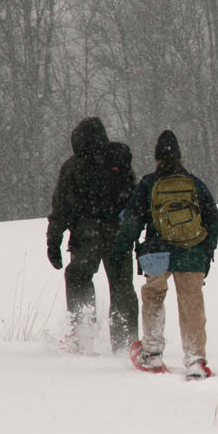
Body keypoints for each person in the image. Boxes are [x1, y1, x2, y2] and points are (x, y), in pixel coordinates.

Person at [112, 130, 218, 380]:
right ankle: (195, 360)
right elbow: (214, 223)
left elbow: (132, 222)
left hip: (157, 253)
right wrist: (206, 254)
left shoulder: (149, 184)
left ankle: (151, 354)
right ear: (180, 156)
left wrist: (120, 249)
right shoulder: (194, 183)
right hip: (192, 253)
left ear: (156, 158)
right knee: (191, 305)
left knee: (153, 297)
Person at [46, 117, 138, 354]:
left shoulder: (73, 166)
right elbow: (133, 198)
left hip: (86, 235)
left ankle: (82, 334)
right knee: (122, 286)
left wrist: (53, 240)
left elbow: (61, 208)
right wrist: (133, 231)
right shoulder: (119, 160)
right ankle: (126, 341)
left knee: (78, 277)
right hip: (117, 233)